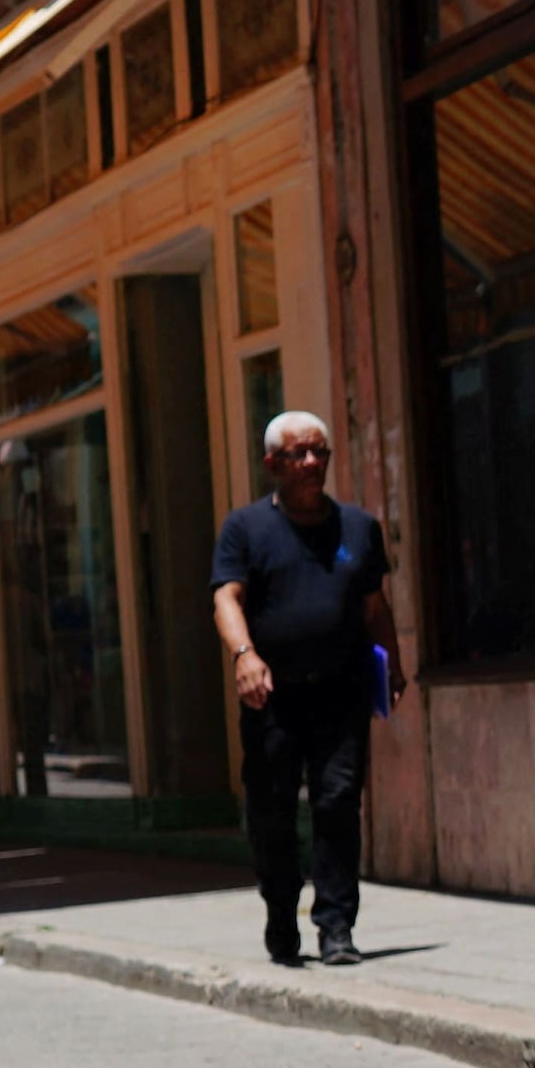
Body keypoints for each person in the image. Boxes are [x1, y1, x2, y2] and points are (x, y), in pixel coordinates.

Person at [209, 408, 393, 968]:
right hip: (274, 699)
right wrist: (244, 656)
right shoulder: (246, 529)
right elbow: (226, 598)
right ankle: (280, 914)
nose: (313, 463)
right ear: (273, 464)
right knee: (273, 813)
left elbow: (373, 605)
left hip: (341, 691)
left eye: (320, 453)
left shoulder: (359, 528)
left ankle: (336, 926)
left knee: (339, 804)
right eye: (299, 454)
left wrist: (395, 664)